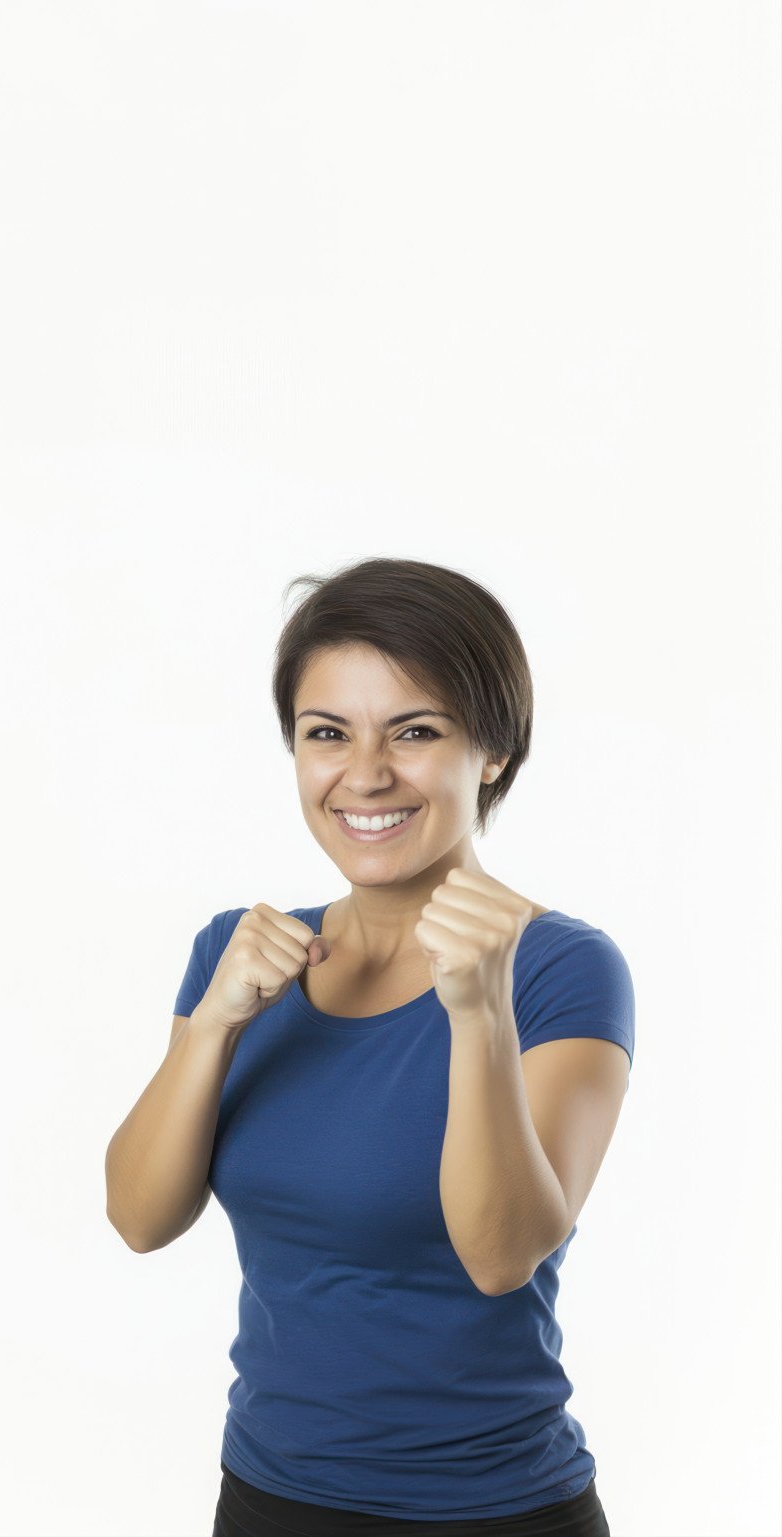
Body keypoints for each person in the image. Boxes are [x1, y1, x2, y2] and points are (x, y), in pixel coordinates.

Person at [105, 557, 634, 1536]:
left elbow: (502, 1255)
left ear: (492, 752)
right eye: (327, 733)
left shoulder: (560, 968)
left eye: (415, 731)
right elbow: (139, 1218)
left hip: (496, 1512)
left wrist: (479, 1014)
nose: (365, 774)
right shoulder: (237, 953)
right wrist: (214, 1023)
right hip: (264, 1498)